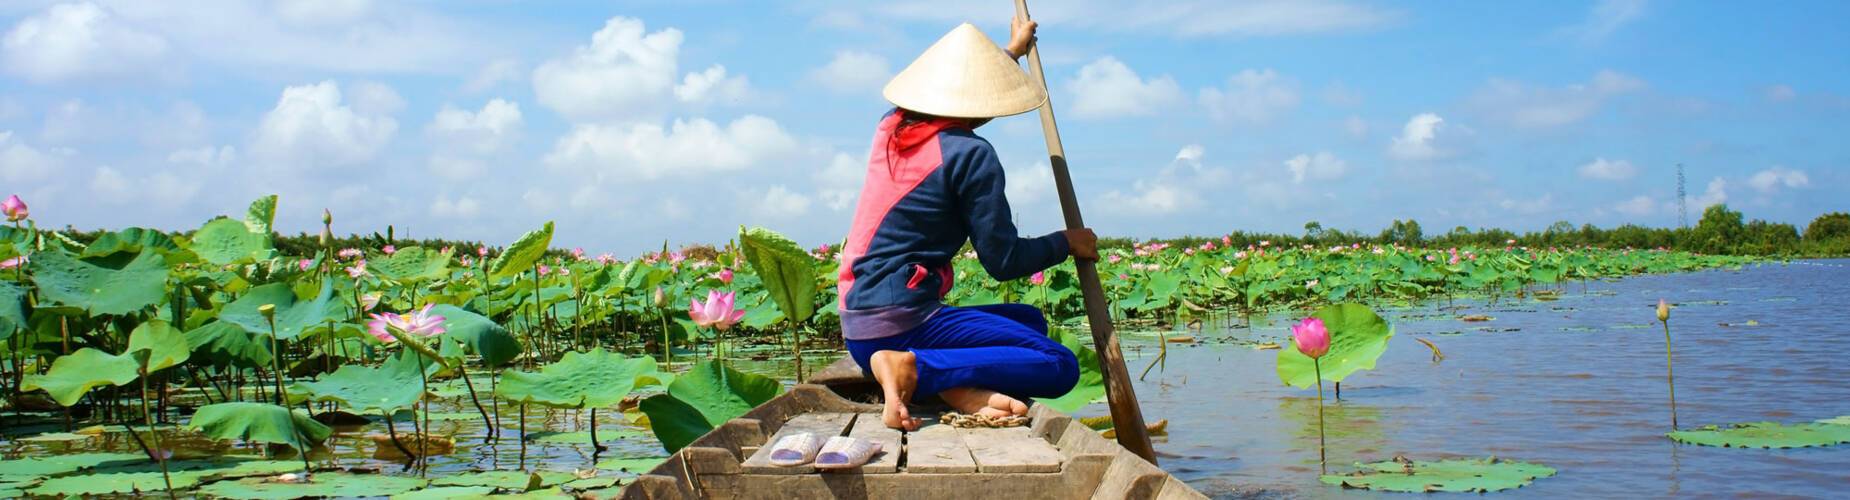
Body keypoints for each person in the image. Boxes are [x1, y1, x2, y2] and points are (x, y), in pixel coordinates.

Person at [836, 17, 1096, 431]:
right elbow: (1003, 260)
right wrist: (1067, 242)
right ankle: (916, 370)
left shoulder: (891, 126)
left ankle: (946, 382)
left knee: (1028, 321)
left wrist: (1010, 52)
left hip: (858, 326)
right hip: (902, 323)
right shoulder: (971, 155)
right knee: (1058, 363)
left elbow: (963, 95)